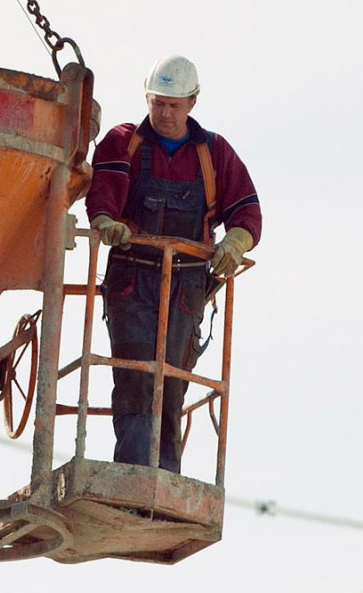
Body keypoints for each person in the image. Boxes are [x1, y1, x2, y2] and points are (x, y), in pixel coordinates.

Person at [85, 55, 262, 473]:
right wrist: (105, 221)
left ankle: (163, 477)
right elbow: (103, 192)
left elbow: (248, 212)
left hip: (185, 287)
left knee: (172, 383)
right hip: (132, 281)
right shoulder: (123, 141)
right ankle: (133, 475)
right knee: (135, 377)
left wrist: (236, 242)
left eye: (174, 105)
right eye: (158, 103)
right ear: (147, 97)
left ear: (192, 102)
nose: (165, 113)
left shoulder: (214, 153)